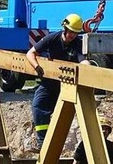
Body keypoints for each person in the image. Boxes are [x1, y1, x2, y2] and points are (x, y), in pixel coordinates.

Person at [26, 13, 90, 152]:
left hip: (67, 85)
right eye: (71, 32)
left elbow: (83, 61)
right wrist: (37, 66)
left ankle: (53, 143)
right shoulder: (52, 38)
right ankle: (42, 141)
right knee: (38, 106)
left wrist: (89, 68)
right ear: (65, 28)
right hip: (49, 81)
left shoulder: (77, 44)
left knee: (60, 113)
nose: (72, 35)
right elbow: (30, 53)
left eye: (75, 33)